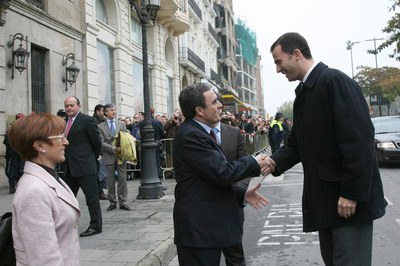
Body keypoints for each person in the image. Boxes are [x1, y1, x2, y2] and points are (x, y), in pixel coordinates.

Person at [269, 32, 387, 266]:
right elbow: (296, 144)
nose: (278, 70)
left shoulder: (335, 82)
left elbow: (359, 142)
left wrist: (351, 194)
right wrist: (272, 162)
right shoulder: (305, 93)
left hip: (347, 206)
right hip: (329, 205)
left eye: (279, 61)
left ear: (297, 54)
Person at [173, 83, 275, 266]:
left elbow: (207, 180)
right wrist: (254, 162)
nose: (220, 105)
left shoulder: (198, 132)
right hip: (199, 231)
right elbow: (221, 172)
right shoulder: (191, 135)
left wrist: (241, 192)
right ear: (199, 110)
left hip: (208, 229)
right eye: (214, 102)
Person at [8, 113, 80, 265]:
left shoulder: (49, 176)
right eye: (60, 137)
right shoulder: (33, 191)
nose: (66, 142)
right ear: (40, 146)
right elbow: (44, 259)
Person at [63, 96, 103, 237]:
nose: (69, 108)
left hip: (85, 167)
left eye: (71, 105)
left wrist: (91, 158)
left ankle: (95, 226)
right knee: (66, 199)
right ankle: (66, 225)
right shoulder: (64, 122)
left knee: (91, 199)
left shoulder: (87, 120)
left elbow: (96, 142)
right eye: (67, 105)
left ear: (78, 106)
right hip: (69, 168)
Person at [98, 103, 131, 211]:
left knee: (122, 179)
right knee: (110, 180)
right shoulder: (100, 126)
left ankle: (123, 202)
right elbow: (101, 142)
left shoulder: (121, 124)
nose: (114, 112)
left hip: (121, 155)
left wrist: (127, 135)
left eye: (115, 110)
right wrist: (112, 148)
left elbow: (126, 135)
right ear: (105, 112)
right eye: (111, 110)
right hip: (108, 155)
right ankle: (112, 202)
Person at [3, 113, 25, 194]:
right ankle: (16, 186)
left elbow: (5, 142)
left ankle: (13, 186)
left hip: (13, 153)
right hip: (18, 153)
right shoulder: (23, 130)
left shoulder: (10, 129)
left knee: (13, 169)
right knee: (20, 169)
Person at [92, 104, 109, 200]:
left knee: (101, 172)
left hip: (101, 151)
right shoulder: (94, 121)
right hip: (97, 152)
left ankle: (100, 192)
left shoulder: (102, 121)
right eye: (103, 111)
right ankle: (99, 193)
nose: (104, 113)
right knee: (99, 172)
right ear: (97, 111)